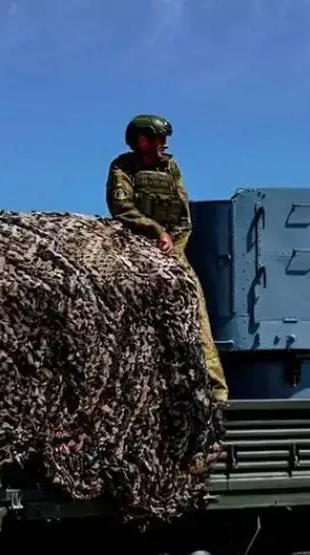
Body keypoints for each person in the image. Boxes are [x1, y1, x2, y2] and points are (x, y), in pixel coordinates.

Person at [105, 114, 229, 404]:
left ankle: (216, 390)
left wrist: (174, 247)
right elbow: (122, 207)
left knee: (196, 312)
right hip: (133, 248)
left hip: (172, 251)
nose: (164, 144)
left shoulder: (170, 167)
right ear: (142, 140)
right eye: (159, 138)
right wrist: (155, 231)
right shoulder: (122, 167)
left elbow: (182, 215)